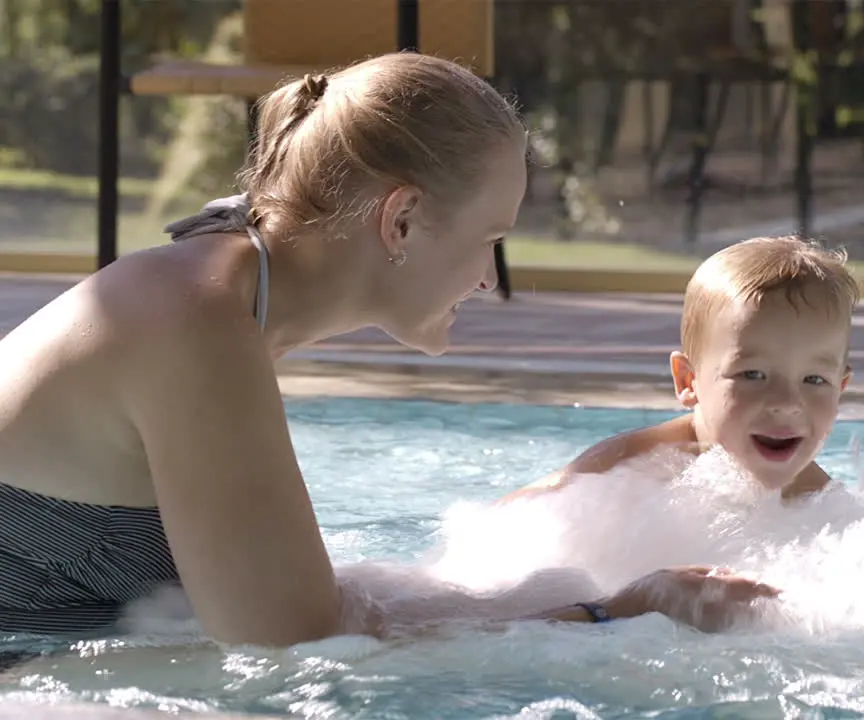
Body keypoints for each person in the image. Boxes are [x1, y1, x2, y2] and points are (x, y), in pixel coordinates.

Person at [0, 52, 776, 646]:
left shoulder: (228, 298)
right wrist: (614, 616)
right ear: (401, 220)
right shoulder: (192, 323)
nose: (485, 279)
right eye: (490, 241)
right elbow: (300, 652)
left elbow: (299, 614)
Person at [503, 235, 860, 504]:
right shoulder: (631, 466)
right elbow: (511, 520)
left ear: (840, 389)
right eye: (753, 374)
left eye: (814, 379)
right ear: (688, 380)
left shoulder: (821, 504)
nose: (787, 402)